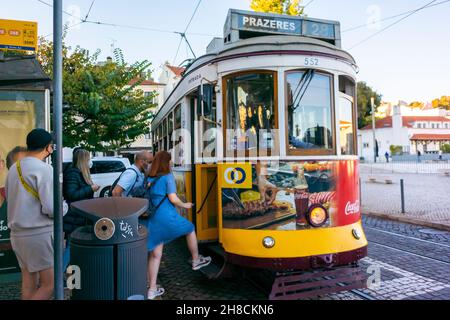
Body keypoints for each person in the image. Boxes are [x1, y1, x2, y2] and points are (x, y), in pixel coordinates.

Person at [145, 151, 211, 300]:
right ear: (165, 162)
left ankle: (152, 289)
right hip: (167, 216)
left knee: (155, 255)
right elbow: (173, 198)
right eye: (170, 161)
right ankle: (196, 260)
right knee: (190, 228)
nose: (171, 163)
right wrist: (185, 205)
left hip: (153, 218)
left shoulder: (150, 177)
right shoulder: (168, 177)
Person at [5, 128, 55, 300]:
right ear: (49, 147)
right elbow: (51, 208)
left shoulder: (14, 169)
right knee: (49, 285)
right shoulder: (45, 169)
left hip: (17, 235)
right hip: (37, 234)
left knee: (29, 283)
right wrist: (63, 207)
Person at [63, 148, 100, 270]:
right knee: (70, 247)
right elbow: (71, 194)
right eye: (88, 159)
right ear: (83, 160)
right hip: (74, 217)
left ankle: (73, 275)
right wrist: (90, 189)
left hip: (80, 216)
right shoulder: (73, 173)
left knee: (74, 247)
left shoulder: (79, 173)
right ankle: (57, 276)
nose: (90, 162)